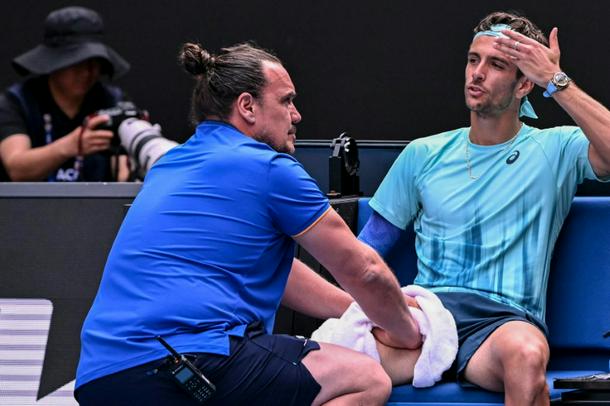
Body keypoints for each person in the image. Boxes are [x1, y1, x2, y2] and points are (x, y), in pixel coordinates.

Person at [74, 42, 422, 405]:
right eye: (286, 101)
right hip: (190, 362)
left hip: (102, 378)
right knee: (365, 379)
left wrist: (355, 309)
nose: (297, 115)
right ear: (247, 106)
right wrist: (410, 332)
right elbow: (363, 269)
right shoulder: (270, 168)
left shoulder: (170, 164)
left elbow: (270, 271)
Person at [358, 11, 610, 406]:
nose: (477, 73)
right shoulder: (423, 153)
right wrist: (380, 306)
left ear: (524, 83)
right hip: (425, 321)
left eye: (496, 65)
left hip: (501, 324)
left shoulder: (556, 148)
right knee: (325, 368)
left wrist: (555, 79)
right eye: (473, 60)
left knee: (526, 357)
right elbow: (364, 253)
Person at [0, 6, 132, 182]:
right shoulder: (17, 102)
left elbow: (124, 169)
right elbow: (17, 168)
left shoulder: (113, 102)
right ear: (53, 62)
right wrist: (69, 146)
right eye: (77, 63)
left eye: (94, 63)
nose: (86, 73)